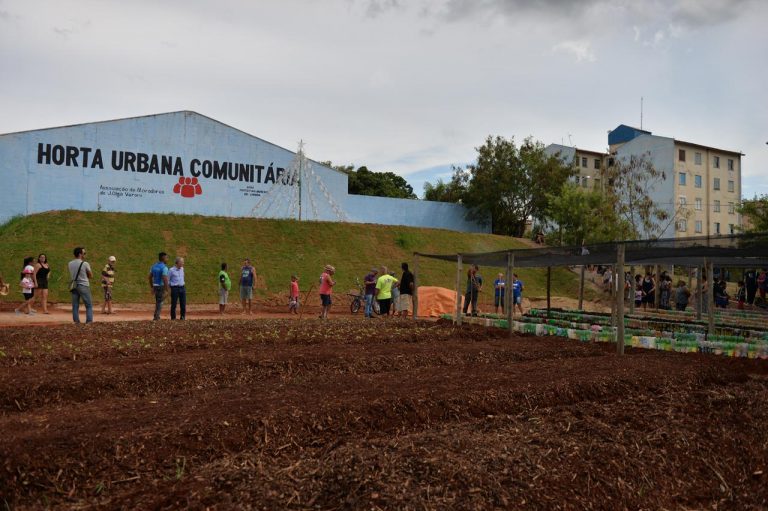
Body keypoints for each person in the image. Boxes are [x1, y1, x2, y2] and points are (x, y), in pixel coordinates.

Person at [68, 247, 93, 324]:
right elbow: (91, 276)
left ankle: (76, 321)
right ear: (80, 254)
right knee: (88, 304)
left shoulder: (70, 263)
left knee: (75, 305)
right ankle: (89, 321)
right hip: (83, 285)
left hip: (74, 285)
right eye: (84, 253)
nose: (85, 255)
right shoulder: (85, 263)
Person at [149, 252, 169, 321]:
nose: (167, 259)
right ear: (163, 258)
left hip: (155, 286)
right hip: (161, 286)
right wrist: (167, 289)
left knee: (158, 301)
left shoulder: (153, 266)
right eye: (166, 258)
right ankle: (156, 317)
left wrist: (152, 287)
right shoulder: (164, 267)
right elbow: (165, 278)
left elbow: (150, 277)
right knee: (160, 302)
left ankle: (156, 316)